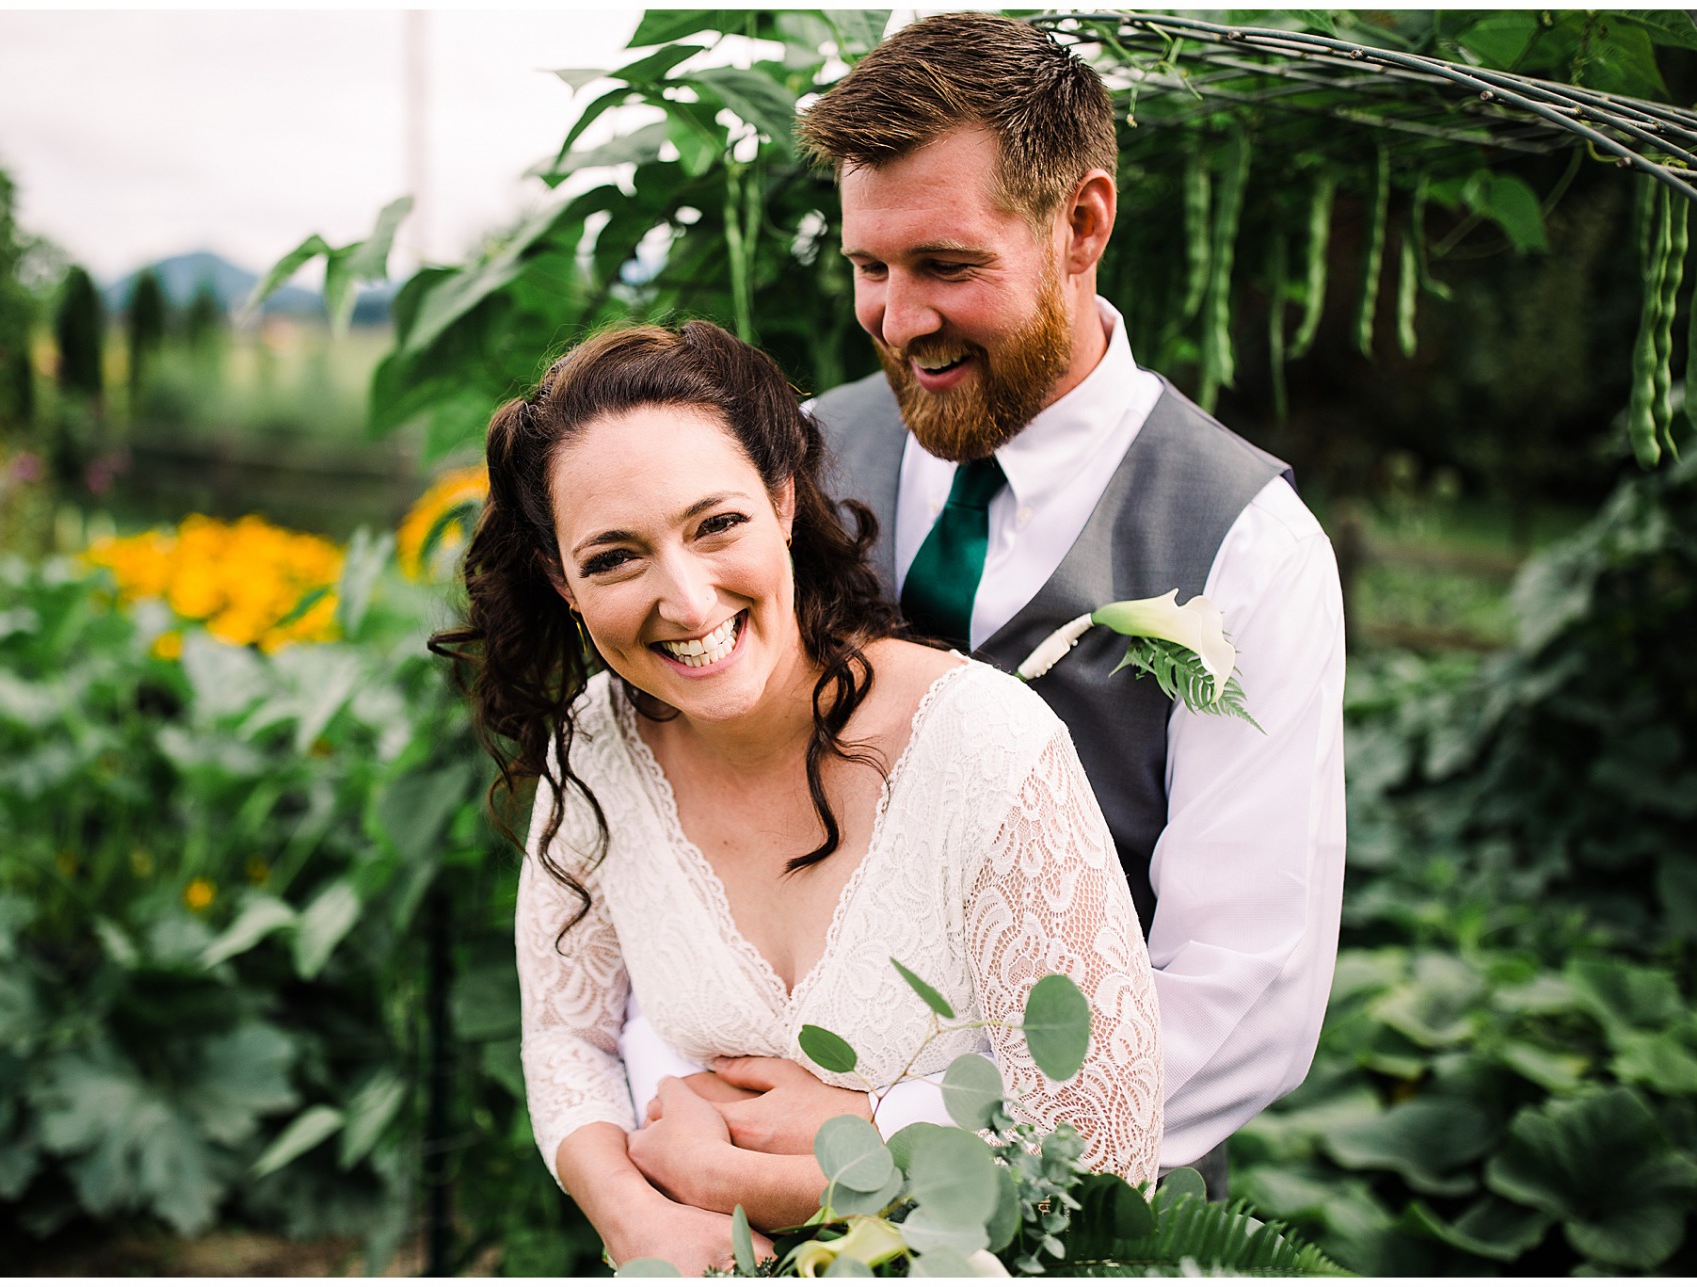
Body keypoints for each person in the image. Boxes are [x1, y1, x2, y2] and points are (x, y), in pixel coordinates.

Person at [623, 12, 1346, 1200]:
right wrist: (693, 1112)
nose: (901, 321)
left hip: (1083, 1213)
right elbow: (678, 838)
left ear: (1083, 224)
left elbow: (1243, 986)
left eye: (947, 267)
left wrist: (896, 1135)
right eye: (870, 268)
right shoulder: (790, 468)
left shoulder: (1247, 549)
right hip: (748, 1188)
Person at [437, 320, 1163, 1274]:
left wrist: (806, 1174)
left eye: (717, 524)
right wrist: (633, 1217)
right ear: (559, 579)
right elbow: (566, 1037)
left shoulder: (983, 747)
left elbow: (1104, 1158)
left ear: (783, 499)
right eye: (615, 556)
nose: (689, 602)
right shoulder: (597, 752)